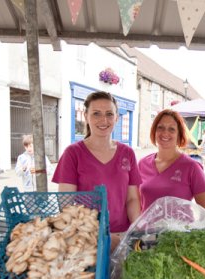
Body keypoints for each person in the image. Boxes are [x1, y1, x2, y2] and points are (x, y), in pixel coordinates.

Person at [52, 91, 142, 246]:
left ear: (116, 118)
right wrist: (96, 235)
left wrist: (136, 230)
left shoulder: (127, 153)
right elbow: (66, 204)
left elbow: (132, 199)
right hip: (86, 237)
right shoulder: (73, 153)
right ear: (86, 116)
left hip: (122, 235)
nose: (103, 120)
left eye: (109, 114)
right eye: (96, 114)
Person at [138, 109, 205, 213]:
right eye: (160, 128)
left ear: (179, 136)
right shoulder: (142, 164)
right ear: (154, 132)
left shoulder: (192, 167)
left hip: (180, 229)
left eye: (171, 129)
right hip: (146, 229)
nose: (165, 133)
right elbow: (136, 204)